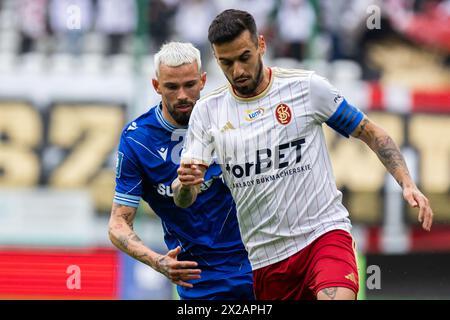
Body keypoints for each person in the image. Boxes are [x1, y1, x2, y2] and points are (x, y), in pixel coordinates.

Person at [173, 9, 434, 300]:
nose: (238, 71)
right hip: (266, 260)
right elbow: (185, 198)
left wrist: (407, 183)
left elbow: (371, 132)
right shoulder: (208, 111)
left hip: (323, 235)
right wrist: (185, 185)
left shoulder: (306, 88)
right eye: (227, 62)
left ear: (261, 45)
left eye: (244, 57)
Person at [108, 42, 254, 300]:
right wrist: (157, 262)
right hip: (199, 277)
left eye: (189, 85)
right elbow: (118, 223)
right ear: (156, 86)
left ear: (203, 81)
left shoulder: (234, 120)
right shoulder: (138, 140)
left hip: (259, 260)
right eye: (172, 87)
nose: (183, 95)